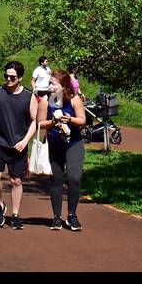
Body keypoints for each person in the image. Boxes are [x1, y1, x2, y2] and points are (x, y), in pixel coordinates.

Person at [0, 61, 39, 230]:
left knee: (16, 180)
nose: (8, 79)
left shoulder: (29, 96)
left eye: (12, 77)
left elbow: (35, 121)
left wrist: (25, 140)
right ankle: (0, 205)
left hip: (18, 144)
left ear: (20, 78)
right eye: (6, 76)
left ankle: (15, 215)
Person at [40, 69, 86, 231]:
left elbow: (83, 120)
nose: (50, 87)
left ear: (63, 86)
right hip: (55, 144)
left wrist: (70, 119)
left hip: (73, 143)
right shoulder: (45, 101)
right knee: (56, 179)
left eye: (53, 84)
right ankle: (56, 218)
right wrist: (52, 122)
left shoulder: (74, 100)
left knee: (74, 178)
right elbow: (40, 123)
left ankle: (72, 216)